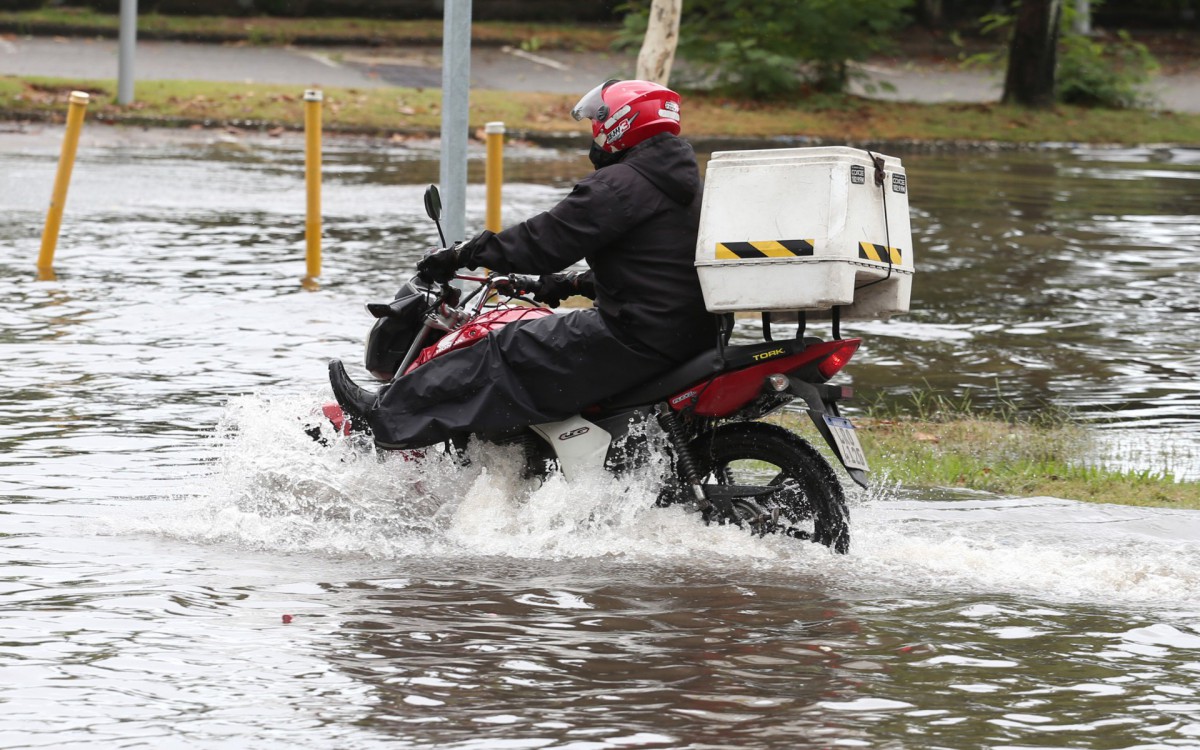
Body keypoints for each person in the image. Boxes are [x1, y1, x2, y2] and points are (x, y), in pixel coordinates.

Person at [329, 78, 717, 449]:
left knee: (499, 349)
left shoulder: (620, 185)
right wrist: (562, 285)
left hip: (636, 336)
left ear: (619, 125)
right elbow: (656, 270)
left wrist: (465, 254)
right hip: (682, 330)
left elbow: (544, 241)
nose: (594, 133)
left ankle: (382, 418)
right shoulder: (682, 184)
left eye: (598, 122)